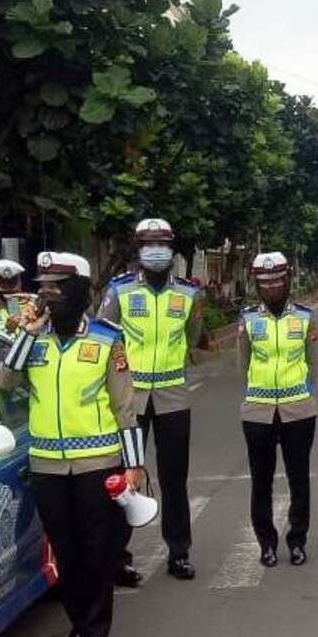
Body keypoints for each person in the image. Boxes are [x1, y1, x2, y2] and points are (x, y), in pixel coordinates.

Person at [0, 251, 146, 637]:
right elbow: (3, 383)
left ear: (78, 290)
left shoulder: (105, 338)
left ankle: (96, 631)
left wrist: (133, 466)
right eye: (44, 287)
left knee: (96, 551)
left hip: (97, 465)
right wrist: (25, 333)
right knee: (64, 551)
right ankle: (78, 626)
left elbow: (124, 408)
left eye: (57, 287)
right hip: (46, 466)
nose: (48, 295)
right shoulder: (34, 339)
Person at [98, 218, 203, 580]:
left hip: (173, 396)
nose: (156, 250)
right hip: (130, 398)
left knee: (175, 479)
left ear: (172, 249)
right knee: (125, 477)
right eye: (148, 244)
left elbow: (192, 337)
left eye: (162, 244)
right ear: (138, 250)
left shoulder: (189, 293)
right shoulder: (120, 291)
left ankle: (179, 552)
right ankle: (119, 557)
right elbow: (103, 338)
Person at [238, 252, 318, 567]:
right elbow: (242, 365)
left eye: (277, 281)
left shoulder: (305, 317)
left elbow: (312, 365)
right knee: (261, 481)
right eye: (265, 282)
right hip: (258, 413)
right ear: (257, 285)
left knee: (299, 479)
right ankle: (266, 543)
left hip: (298, 410)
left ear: (287, 281)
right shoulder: (247, 319)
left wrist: (303, 395)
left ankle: (297, 540)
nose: (271, 288)